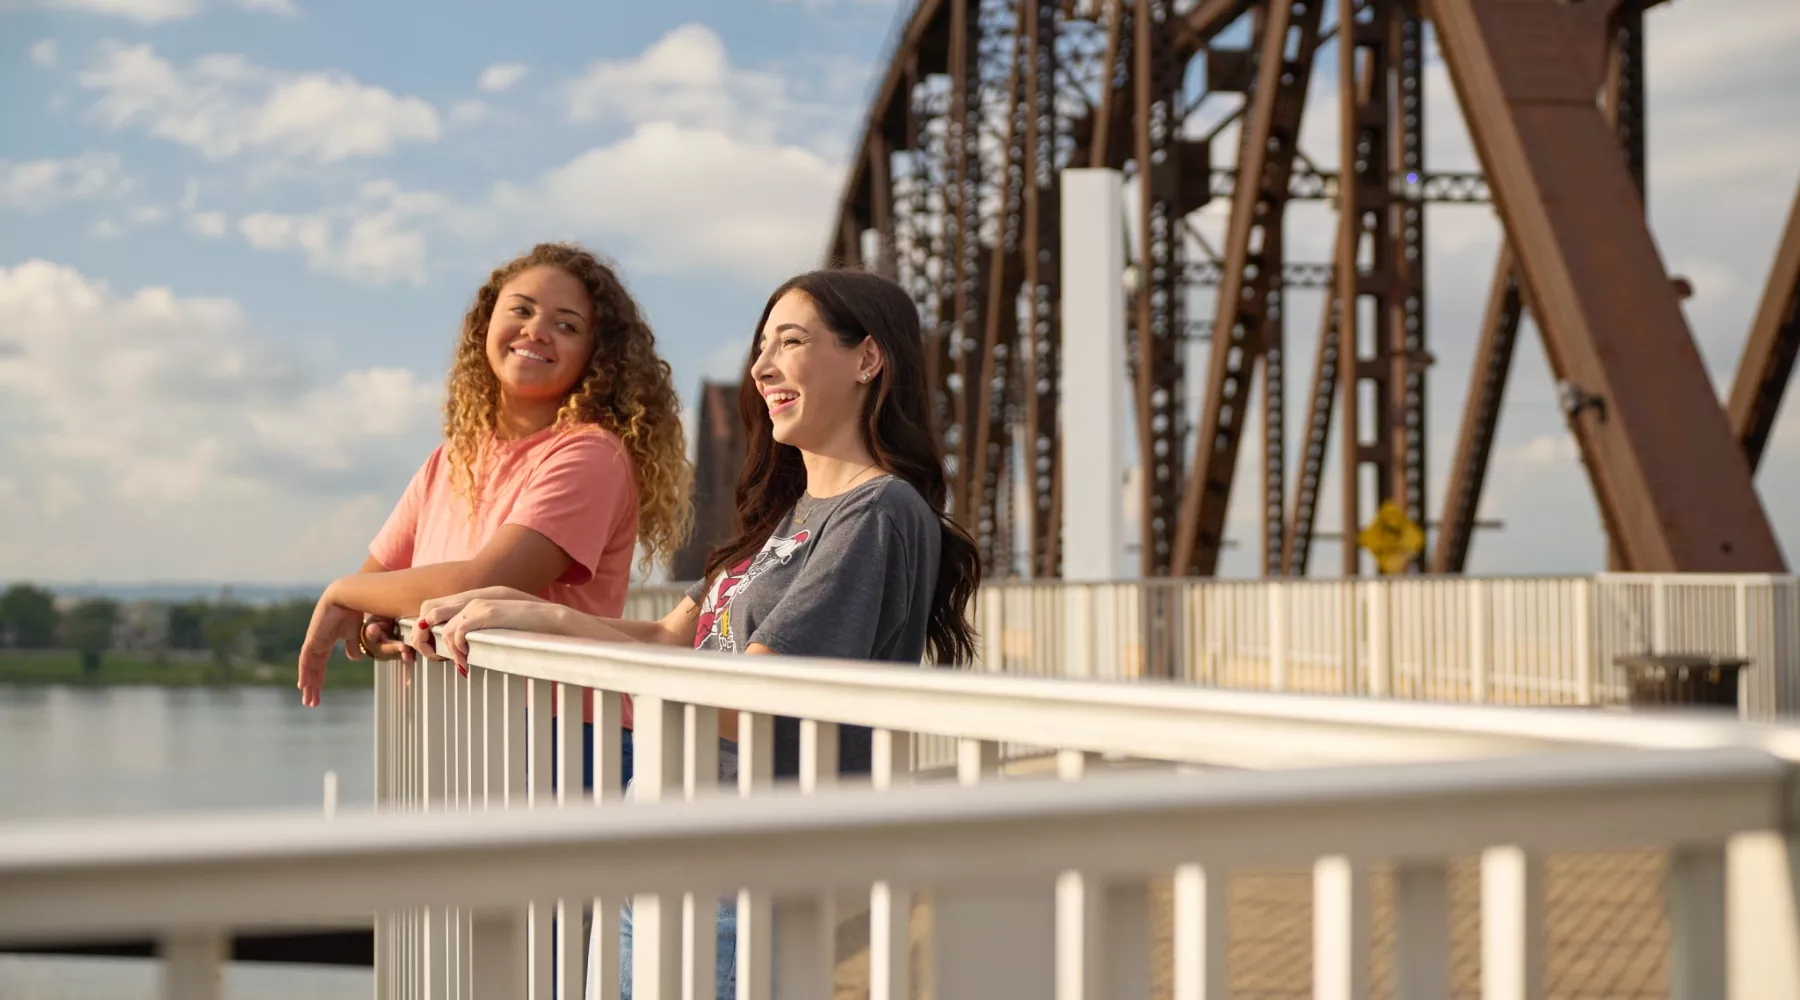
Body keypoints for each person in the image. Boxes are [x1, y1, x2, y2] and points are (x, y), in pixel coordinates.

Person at [408, 267, 983, 998]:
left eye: (792, 341)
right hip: (670, 835)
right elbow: (669, 645)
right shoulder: (788, 518)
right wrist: (531, 612)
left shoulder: (876, 513)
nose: (764, 366)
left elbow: (757, 695)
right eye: (761, 347)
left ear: (868, 359)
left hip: (739, 858)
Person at [296, 242, 691, 793]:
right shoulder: (450, 460)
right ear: (486, 323)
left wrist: (346, 594)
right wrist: (373, 611)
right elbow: (378, 582)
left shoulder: (589, 454)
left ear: (597, 357)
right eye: (522, 310)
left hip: (558, 740)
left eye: (567, 325)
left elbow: (484, 585)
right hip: (453, 734)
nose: (537, 330)